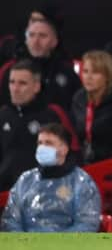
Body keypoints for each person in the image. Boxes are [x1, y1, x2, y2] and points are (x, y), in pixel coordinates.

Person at [1, 123, 101, 232]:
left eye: (48, 143)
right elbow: (11, 220)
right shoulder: (25, 180)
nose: (42, 147)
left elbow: (86, 224)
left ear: (64, 149)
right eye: (40, 143)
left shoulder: (81, 182)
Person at [0, 60, 79, 191]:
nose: (15, 88)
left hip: (44, 192)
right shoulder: (3, 115)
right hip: (6, 196)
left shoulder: (53, 115)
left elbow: (73, 153)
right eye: (12, 82)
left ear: (36, 87)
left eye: (22, 83)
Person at [0, 18, 81, 112]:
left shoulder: (67, 71)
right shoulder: (9, 70)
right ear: (26, 40)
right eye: (31, 35)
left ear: (54, 41)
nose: (36, 41)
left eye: (42, 36)